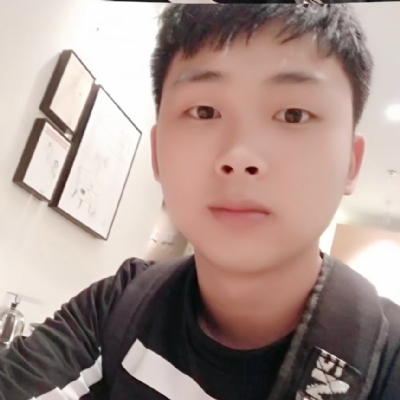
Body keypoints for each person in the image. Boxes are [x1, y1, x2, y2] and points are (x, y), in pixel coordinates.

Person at [1, 3, 399, 400]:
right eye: (204, 111)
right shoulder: (118, 304)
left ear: (351, 163)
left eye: (294, 114)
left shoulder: (387, 364)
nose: (239, 155)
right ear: (157, 154)